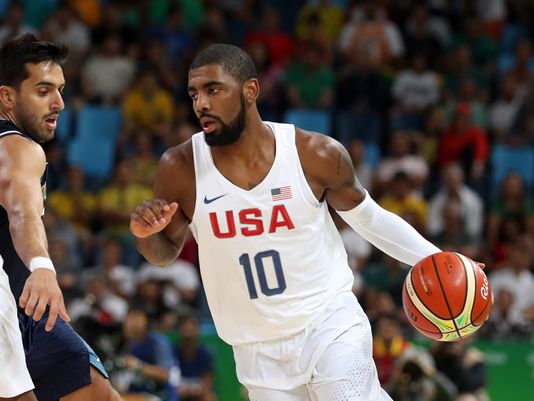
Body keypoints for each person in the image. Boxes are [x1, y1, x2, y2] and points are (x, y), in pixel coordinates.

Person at [130, 43, 443, 401]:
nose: (201, 103)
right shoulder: (180, 167)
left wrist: (438, 259)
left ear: (250, 90)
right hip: (255, 348)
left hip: (328, 323)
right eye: (194, 93)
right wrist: (144, 235)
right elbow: (163, 253)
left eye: (213, 89)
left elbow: (370, 219)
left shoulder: (314, 154)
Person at [0, 34, 120, 401]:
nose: (59, 103)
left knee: (102, 395)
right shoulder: (16, 146)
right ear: (7, 97)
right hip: (10, 302)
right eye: (43, 91)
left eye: (61, 89)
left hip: (29, 310)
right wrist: (42, 266)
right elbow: (20, 207)